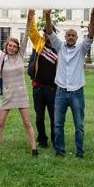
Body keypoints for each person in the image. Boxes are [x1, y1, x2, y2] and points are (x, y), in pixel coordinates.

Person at [0, 13, 37, 157]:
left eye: (15, 46)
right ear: (6, 46)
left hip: (21, 93)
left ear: (18, 48)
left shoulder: (21, 55)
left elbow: (26, 35)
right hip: (7, 93)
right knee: (1, 123)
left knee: (27, 122)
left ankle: (34, 148)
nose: (12, 48)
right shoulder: (1, 56)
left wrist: (29, 21)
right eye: (10, 45)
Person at [48, 8, 94, 158]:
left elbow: (91, 36)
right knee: (58, 124)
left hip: (76, 92)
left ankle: (80, 152)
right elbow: (49, 32)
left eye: (73, 35)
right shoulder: (59, 46)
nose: (70, 37)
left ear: (76, 37)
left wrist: (92, 16)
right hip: (60, 92)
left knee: (79, 125)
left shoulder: (81, 49)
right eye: (68, 35)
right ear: (65, 36)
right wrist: (47, 15)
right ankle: (60, 151)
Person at [27, 8, 58, 149]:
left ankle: (55, 138)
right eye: (45, 32)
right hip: (38, 87)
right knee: (40, 116)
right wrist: (31, 16)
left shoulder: (59, 49)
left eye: (49, 32)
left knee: (54, 116)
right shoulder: (39, 43)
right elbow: (32, 31)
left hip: (53, 89)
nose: (46, 34)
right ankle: (42, 139)